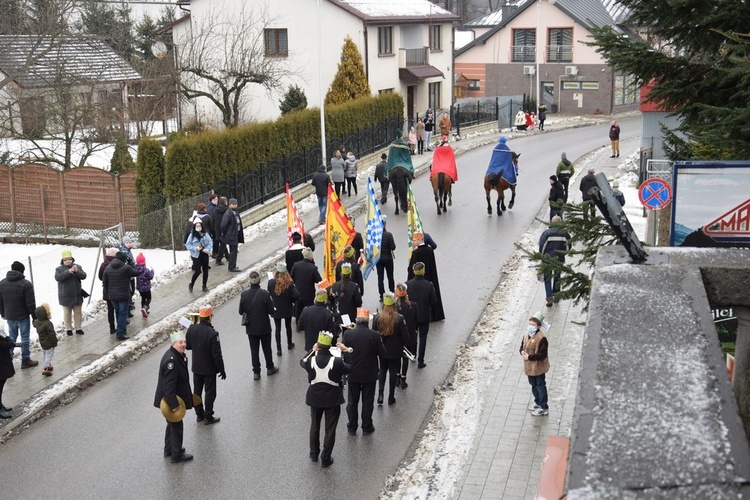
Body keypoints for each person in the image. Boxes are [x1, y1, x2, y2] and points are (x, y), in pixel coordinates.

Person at [300, 331, 352, 468]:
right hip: (332, 398)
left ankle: (313, 453)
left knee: (315, 425)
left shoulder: (310, 361)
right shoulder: (337, 361)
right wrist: (346, 352)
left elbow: (302, 361)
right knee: (330, 429)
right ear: (330, 346)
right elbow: (350, 368)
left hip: (315, 397)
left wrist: (312, 350)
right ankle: (326, 457)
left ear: (319, 345)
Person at [342, 308, 385, 435]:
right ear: (367, 321)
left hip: (353, 373)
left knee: (352, 402)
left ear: (357, 320)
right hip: (369, 374)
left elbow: (344, 353)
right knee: (367, 402)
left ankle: (352, 427)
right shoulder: (375, 335)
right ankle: (367, 427)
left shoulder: (348, 334)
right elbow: (382, 353)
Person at [153, 330, 194, 463]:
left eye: (184, 342)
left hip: (170, 400)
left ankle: (169, 449)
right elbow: (169, 387)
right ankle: (176, 455)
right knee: (176, 426)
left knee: (171, 425)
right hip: (171, 401)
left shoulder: (176, 355)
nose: (183, 345)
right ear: (173, 344)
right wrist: (174, 405)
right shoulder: (172, 361)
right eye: (180, 342)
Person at [186, 304, 226, 425]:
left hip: (197, 367)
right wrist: (222, 370)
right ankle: (208, 416)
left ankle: (199, 414)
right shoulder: (212, 333)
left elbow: (188, 346)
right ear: (209, 317)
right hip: (209, 369)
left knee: (197, 392)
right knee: (210, 392)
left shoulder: (192, 329)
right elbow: (217, 355)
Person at [239, 271, 279, 380]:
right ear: (259, 280)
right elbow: (271, 310)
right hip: (264, 327)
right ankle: (270, 368)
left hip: (251, 328)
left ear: (250, 281)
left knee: (254, 350)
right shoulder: (265, 294)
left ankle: (256, 372)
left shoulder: (244, 295)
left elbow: (240, 311)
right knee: (267, 348)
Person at [372, 293, 409, 407]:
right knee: (393, 372)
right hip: (395, 350)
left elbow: (373, 334)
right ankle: (391, 396)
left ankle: (380, 395)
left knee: (382, 370)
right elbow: (405, 337)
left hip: (382, 349)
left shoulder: (377, 317)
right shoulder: (399, 318)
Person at [0, 261, 38, 368]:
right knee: (25, 337)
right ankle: (25, 360)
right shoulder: (26, 284)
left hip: (10, 315)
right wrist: (34, 317)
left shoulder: (2, 283)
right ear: (22, 271)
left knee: (11, 337)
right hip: (22, 315)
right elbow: (30, 303)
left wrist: (2, 313)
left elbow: (0, 301)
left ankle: (8, 359)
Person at [405, 262, 437, 369]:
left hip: (412, 315)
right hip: (424, 315)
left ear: (414, 271)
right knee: (423, 338)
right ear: (423, 272)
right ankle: (420, 360)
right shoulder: (429, 285)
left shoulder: (408, 284)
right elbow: (433, 301)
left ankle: (413, 354)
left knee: (413, 336)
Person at [407, 233, 445, 322]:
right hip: (430, 277)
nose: (413, 242)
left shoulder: (416, 252)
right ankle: (435, 315)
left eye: (414, 240)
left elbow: (412, 268)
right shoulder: (430, 250)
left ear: (420, 240)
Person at [103, 251, 139, 341]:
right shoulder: (126, 268)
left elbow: (105, 282)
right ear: (124, 259)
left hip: (112, 296)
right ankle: (120, 333)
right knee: (123, 314)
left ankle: (122, 330)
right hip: (123, 295)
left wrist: (108, 293)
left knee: (118, 312)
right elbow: (137, 272)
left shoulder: (108, 268)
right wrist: (132, 263)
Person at [520, 312, 550, 416]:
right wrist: (522, 352)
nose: (530, 326)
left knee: (540, 385)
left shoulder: (542, 338)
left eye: (533, 325)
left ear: (539, 326)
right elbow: (522, 345)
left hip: (538, 367)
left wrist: (529, 357)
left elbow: (542, 354)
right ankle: (537, 402)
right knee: (533, 385)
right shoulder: (526, 334)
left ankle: (544, 407)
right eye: (530, 324)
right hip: (529, 368)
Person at [539, 215, 571, 307]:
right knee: (557, 277)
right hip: (559, 259)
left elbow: (542, 246)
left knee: (547, 279)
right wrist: (563, 254)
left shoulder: (547, 233)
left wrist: (542, 257)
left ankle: (549, 299)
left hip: (547, 260)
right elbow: (568, 246)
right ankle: (556, 296)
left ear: (551, 222)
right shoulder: (565, 234)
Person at [268, 263, 299, 356]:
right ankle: (289, 343)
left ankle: (279, 349)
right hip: (287, 308)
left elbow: (269, 293)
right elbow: (296, 295)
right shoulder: (289, 283)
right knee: (288, 326)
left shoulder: (271, 282)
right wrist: (292, 301)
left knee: (277, 329)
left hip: (276, 308)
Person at [54, 249, 87, 336]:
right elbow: (58, 278)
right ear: (62, 261)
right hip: (65, 295)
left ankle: (78, 327)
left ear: (72, 259)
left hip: (77, 294)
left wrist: (76, 271)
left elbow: (84, 276)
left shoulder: (78, 267)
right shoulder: (59, 269)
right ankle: (68, 328)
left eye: (69, 259)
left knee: (78, 312)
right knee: (67, 313)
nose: (68, 261)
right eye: (65, 259)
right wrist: (68, 272)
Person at [395, 283, 418, 389]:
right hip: (409, 335)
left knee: (397, 358)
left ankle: (397, 377)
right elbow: (416, 321)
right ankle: (403, 378)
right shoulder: (413, 306)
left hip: (397, 336)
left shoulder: (394, 307)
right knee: (405, 358)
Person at [291, 247, 322, 320]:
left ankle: (298, 325)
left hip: (298, 293)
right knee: (309, 311)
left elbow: (291, 277)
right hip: (309, 294)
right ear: (311, 257)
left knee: (298, 310)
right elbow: (318, 280)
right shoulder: (313, 268)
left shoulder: (296, 265)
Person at [186, 218, 213, 293]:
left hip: (204, 253)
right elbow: (188, 245)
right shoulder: (192, 235)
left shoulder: (205, 234)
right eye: (197, 226)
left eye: (199, 226)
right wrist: (195, 248)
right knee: (197, 271)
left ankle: (204, 286)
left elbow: (210, 242)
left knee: (205, 270)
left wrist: (207, 249)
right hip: (196, 255)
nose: (198, 227)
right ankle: (191, 283)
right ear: (194, 227)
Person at [220, 198, 244, 272]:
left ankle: (232, 265)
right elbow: (223, 225)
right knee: (233, 251)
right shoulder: (228, 213)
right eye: (233, 204)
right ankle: (231, 266)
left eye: (235, 204)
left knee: (234, 250)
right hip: (231, 235)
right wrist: (226, 233)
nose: (235, 205)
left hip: (235, 234)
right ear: (229, 205)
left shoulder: (235, 212)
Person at [98, 248, 118, 335]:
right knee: (118, 309)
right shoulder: (117, 263)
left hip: (107, 290)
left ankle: (112, 328)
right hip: (117, 289)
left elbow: (100, 277)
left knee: (110, 310)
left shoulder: (103, 264)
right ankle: (121, 325)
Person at [33, 303, 56, 377]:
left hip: (42, 342)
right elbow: (52, 334)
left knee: (45, 354)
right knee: (49, 355)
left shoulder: (37, 322)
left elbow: (34, 324)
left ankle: (48, 366)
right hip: (49, 343)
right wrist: (54, 342)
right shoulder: (48, 323)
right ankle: (46, 368)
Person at [376, 216, 396, 300]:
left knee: (380, 278)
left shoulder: (376, 235)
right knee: (390, 276)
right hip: (388, 258)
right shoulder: (389, 235)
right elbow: (393, 247)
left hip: (379, 259)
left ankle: (381, 295)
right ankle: (391, 291)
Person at [0, 333, 19, 418]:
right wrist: (9, 343)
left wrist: (7, 339)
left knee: (1, 384)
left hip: (2, 359)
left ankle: (0, 405)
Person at [135, 252, 154, 317]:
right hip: (146, 287)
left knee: (143, 298)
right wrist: (152, 271)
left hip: (140, 288)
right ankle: (145, 308)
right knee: (148, 298)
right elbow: (150, 277)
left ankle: (143, 309)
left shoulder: (135, 269)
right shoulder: (146, 270)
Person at [212, 197, 229, 265]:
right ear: (225, 202)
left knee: (222, 243)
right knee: (223, 244)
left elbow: (212, 219)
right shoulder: (226, 210)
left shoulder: (215, 210)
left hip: (217, 230)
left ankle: (227, 256)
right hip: (224, 229)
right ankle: (219, 259)